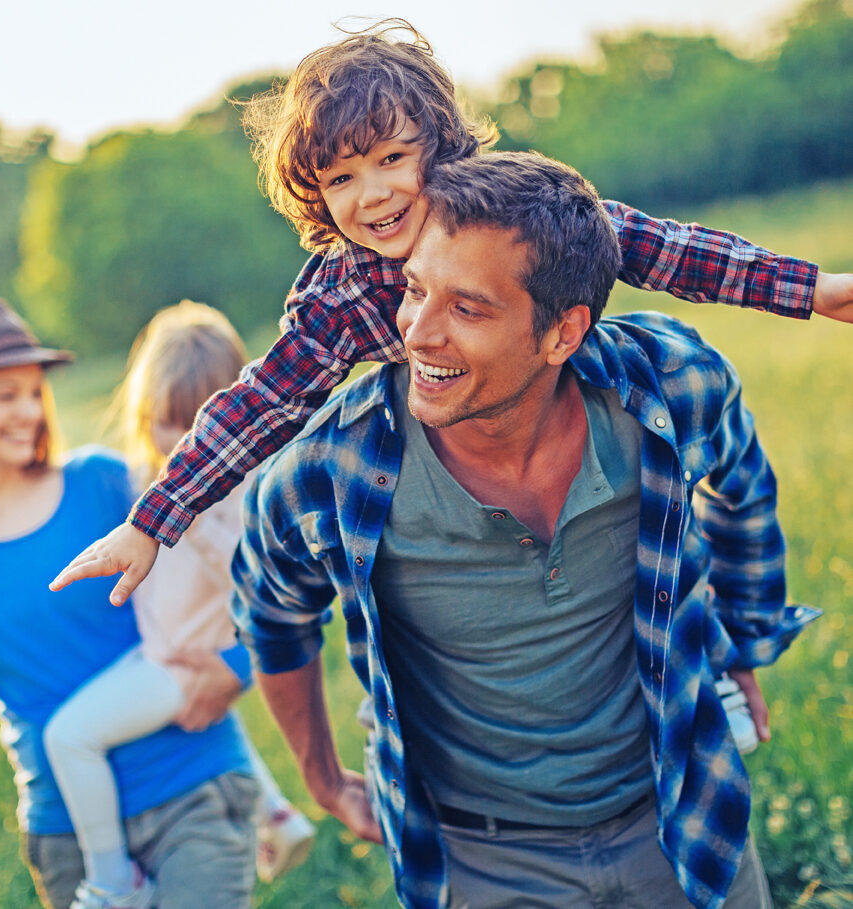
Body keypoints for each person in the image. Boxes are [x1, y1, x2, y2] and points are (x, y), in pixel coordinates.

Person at [50, 20, 853, 605]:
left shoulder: (505, 207)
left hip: (561, 395)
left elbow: (653, 245)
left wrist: (808, 290)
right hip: (452, 446)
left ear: (438, 144)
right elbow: (260, 402)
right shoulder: (338, 292)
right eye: (340, 179)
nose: (372, 195)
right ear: (315, 195)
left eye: (391, 159)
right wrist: (154, 520)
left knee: (644, 534)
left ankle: (701, 644)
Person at [229, 152, 821, 909]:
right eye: (415, 290)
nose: (418, 332)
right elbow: (269, 612)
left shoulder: (671, 384)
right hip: (480, 863)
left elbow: (741, 488)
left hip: (682, 815)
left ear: (562, 332)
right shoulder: (329, 468)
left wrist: (742, 632)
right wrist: (320, 776)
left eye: (467, 308)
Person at [0, 297, 258, 909]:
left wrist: (236, 670)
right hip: (68, 833)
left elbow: (258, 577)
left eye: (35, 393)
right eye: (6, 396)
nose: (30, 412)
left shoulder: (105, 483)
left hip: (193, 788)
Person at [42, 300, 314, 907]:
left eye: (203, 424)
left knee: (70, 737)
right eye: (169, 420)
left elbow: (263, 579)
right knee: (217, 717)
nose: (185, 443)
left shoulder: (234, 498)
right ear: (144, 413)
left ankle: (113, 879)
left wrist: (201, 522)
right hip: (168, 650)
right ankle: (277, 815)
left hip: (181, 662)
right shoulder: (144, 476)